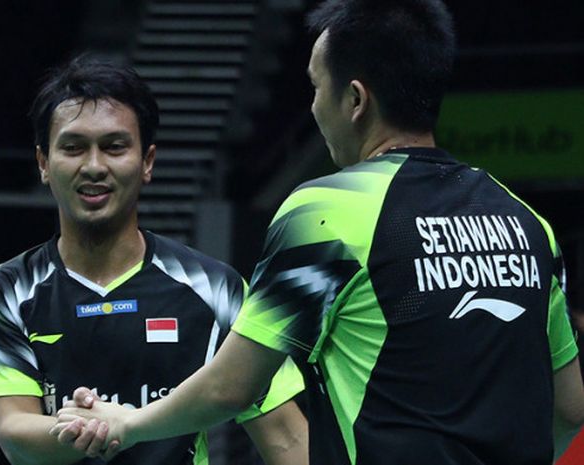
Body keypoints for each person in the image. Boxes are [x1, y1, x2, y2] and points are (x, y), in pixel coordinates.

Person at [50, 1, 584, 464]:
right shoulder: (526, 222)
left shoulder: (328, 210)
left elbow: (233, 387)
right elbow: (568, 407)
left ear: (355, 100)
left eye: (315, 86)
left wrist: (127, 424)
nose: (311, 105)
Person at [0, 55, 308, 465]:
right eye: (73, 148)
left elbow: (285, 437)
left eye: (114, 147)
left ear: (147, 162)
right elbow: (15, 432)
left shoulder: (217, 289)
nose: (93, 166)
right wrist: (91, 427)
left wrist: (121, 423)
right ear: (43, 164)